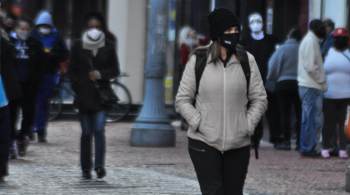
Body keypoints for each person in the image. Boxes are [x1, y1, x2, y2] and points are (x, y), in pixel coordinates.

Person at [176, 8, 267, 195]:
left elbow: (259, 98)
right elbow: (182, 99)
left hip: (238, 143)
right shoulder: (199, 60)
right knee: (214, 191)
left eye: (236, 31)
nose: (233, 35)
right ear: (217, 33)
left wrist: (247, 125)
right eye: (229, 31)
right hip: (203, 142)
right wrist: (197, 122)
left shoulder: (246, 60)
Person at [69, 21, 118, 179]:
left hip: (101, 96)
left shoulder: (109, 46)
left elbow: (114, 70)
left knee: (98, 129)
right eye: (90, 27)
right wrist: (78, 86)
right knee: (86, 132)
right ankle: (85, 167)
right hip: (83, 95)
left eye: (96, 27)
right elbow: (72, 71)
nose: (94, 29)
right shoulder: (78, 46)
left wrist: (100, 74)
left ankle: (99, 166)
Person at [242, 12, 280, 145]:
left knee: (272, 110)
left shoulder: (272, 40)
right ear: (248, 25)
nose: (256, 24)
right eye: (253, 21)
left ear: (263, 23)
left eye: (258, 21)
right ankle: (254, 138)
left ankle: (275, 136)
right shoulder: (244, 41)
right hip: (252, 81)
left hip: (269, 79)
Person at [9, 17, 45, 157]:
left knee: (28, 113)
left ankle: (22, 137)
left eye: (26, 29)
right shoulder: (9, 43)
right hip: (13, 84)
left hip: (29, 85)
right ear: (16, 29)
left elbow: (41, 65)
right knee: (12, 114)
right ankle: (11, 141)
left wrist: (37, 80)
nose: (23, 31)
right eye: (21, 28)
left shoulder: (35, 44)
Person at [31, 11, 68, 143]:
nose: (44, 27)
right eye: (42, 25)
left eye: (46, 25)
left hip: (49, 74)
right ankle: (32, 129)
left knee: (43, 103)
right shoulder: (33, 35)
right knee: (34, 103)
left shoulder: (57, 36)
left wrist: (52, 55)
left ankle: (40, 130)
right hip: (34, 74)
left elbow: (64, 53)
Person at [267, 28, 302, 151]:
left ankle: (286, 140)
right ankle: (299, 141)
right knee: (299, 113)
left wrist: (272, 78)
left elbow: (273, 65)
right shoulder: (302, 49)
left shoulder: (282, 49)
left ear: (289, 36)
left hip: (283, 83)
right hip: (299, 83)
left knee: (284, 112)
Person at [298, 19, 327, 157]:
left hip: (309, 84)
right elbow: (310, 66)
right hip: (311, 85)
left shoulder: (311, 40)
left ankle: (308, 146)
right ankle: (308, 147)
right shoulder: (311, 41)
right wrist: (321, 79)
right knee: (310, 119)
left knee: (309, 119)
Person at [321, 28, 350, 159]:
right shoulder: (327, 52)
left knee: (343, 123)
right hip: (329, 94)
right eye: (337, 38)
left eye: (341, 38)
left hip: (346, 95)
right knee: (329, 123)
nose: (339, 40)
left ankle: (342, 148)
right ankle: (326, 147)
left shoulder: (349, 53)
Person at [0, 33, 21, 182]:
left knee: (4, 135)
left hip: (4, 96)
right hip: (4, 96)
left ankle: (1, 169)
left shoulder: (5, 43)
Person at [175, 26, 198, 130]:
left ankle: (186, 121)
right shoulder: (185, 46)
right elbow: (185, 61)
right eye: (190, 32)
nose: (193, 32)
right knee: (187, 99)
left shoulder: (193, 44)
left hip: (192, 73)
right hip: (188, 74)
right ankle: (184, 122)